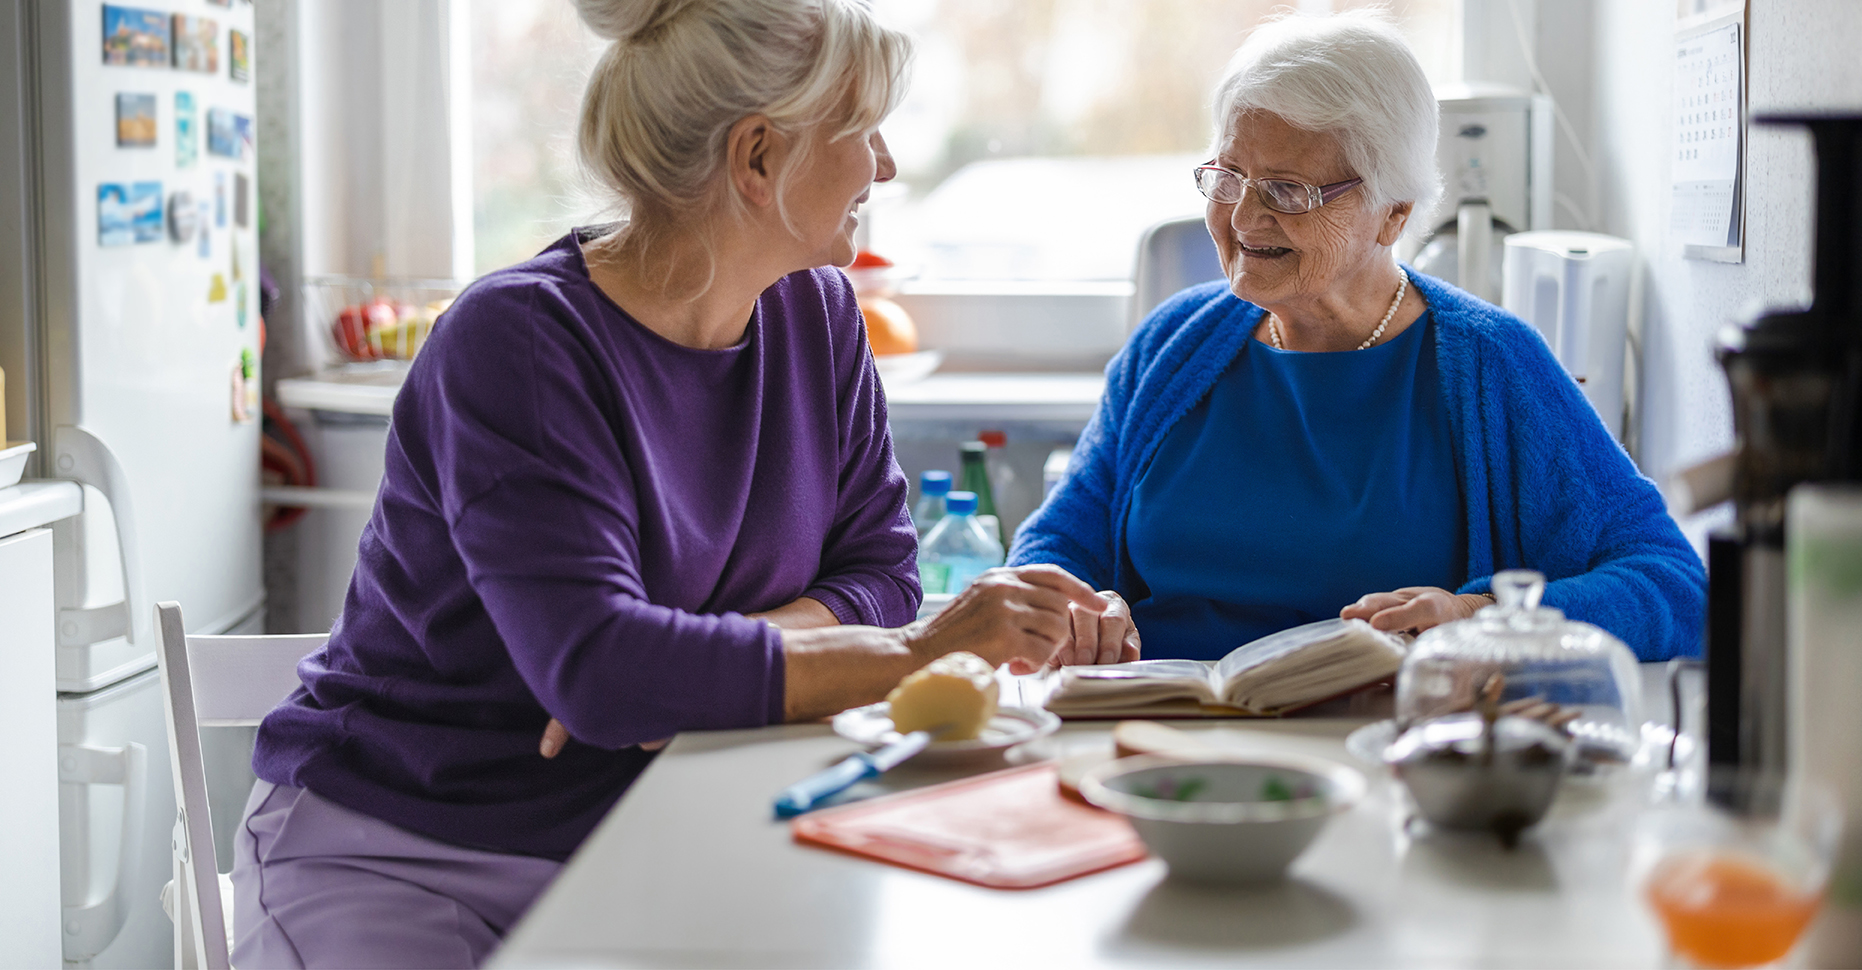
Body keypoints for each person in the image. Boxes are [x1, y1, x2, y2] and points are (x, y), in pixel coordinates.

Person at [231, 2, 1122, 965]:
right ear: (757, 159)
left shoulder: (818, 318)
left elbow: (878, 575)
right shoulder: (519, 342)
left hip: (647, 833)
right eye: (861, 130)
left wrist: (679, 672)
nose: (887, 166)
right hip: (405, 849)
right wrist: (916, 651)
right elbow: (614, 675)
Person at [1008, 10, 1704, 663]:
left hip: (1382, 757)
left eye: (1286, 190)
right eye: (1228, 177)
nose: (1243, 217)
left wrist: (1483, 620)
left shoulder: (1491, 364)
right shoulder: (1172, 344)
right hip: (1156, 740)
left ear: (1391, 214)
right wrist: (1078, 606)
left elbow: (1675, 585)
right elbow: (1058, 543)